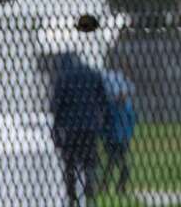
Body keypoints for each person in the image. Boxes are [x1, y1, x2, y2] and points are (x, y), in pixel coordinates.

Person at [48, 53, 106, 207]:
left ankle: (72, 197)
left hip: (71, 128)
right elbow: (103, 100)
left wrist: (56, 127)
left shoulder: (63, 77)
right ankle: (89, 192)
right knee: (88, 160)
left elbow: (55, 106)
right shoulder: (92, 74)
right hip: (90, 126)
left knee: (70, 163)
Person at [99, 69, 137, 197]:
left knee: (116, 165)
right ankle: (108, 188)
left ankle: (116, 188)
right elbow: (105, 124)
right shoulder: (112, 107)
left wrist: (128, 136)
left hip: (122, 140)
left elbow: (131, 122)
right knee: (113, 165)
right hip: (112, 139)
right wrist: (104, 136)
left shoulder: (126, 107)